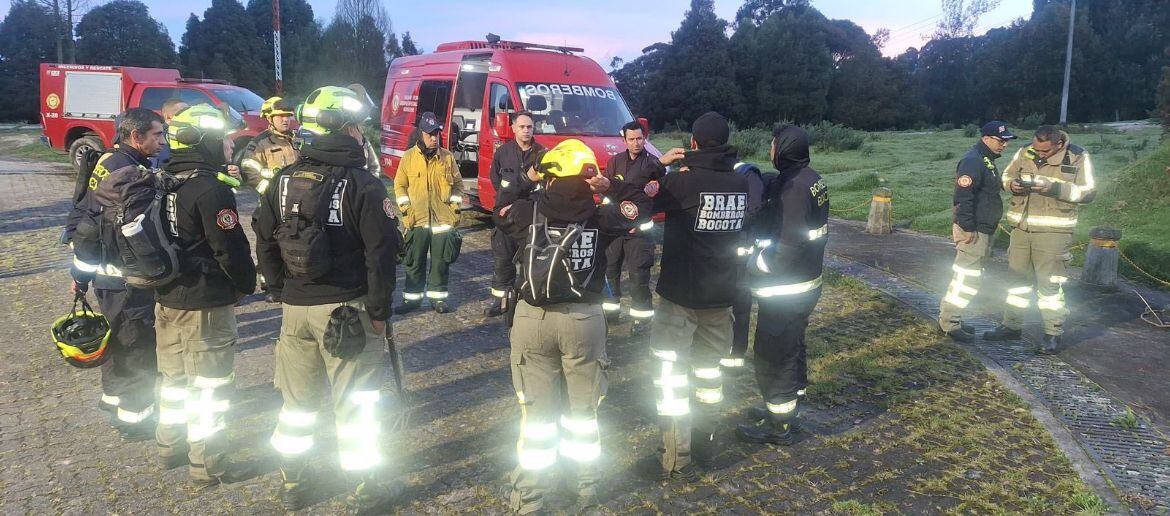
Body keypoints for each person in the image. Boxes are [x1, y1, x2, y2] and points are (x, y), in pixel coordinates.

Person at [254, 86, 401, 511]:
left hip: (295, 311)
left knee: (297, 405)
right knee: (356, 404)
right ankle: (367, 489)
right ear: (348, 128)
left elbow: (264, 239)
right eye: (358, 126)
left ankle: (294, 482)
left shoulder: (282, 180)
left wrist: (282, 290)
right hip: (348, 311)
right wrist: (379, 311)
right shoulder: (362, 185)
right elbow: (382, 254)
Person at [498, 139, 652, 514]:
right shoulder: (602, 216)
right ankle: (584, 490)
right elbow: (639, 211)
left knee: (536, 416)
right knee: (583, 412)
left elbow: (496, 207)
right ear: (588, 175)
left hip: (533, 320)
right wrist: (610, 187)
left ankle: (529, 497)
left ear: (549, 176)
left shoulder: (524, 212)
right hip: (585, 320)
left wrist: (528, 176)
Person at [640, 111, 748, 481]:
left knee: (671, 379)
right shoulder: (741, 184)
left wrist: (659, 167)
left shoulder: (683, 184)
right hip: (722, 299)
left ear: (695, 144)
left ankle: (676, 459)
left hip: (680, 299)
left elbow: (643, 201)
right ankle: (707, 445)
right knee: (709, 377)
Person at [154, 104, 257, 487]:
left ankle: (169, 445)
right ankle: (209, 464)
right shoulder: (210, 189)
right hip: (205, 303)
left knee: (173, 379)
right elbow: (229, 248)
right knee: (211, 386)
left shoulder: (163, 178)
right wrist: (246, 284)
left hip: (166, 296)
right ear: (208, 142)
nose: (230, 148)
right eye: (225, 141)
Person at [65, 107, 164, 440]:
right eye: (157, 135)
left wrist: (80, 278)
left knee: (117, 338)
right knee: (135, 346)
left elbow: (85, 220)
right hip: (125, 278)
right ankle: (135, 420)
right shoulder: (127, 175)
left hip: (106, 275)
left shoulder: (108, 161)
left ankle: (113, 398)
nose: (162, 142)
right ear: (136, 136)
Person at [735, 124, 829, 446]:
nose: (770, 149)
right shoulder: (809, 179)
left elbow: (789, 246)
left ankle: (781, 425)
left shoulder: (795, 190)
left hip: (786, 289)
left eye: (773, 143)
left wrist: (755, 266)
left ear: (784, 147)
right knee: (792, 347)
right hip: (805, 285)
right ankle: (789, 403)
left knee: (773, 355)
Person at [984, 126, 1096, 354]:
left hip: (1053, 232)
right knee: (1016, 281)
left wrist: (1054, 187)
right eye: (1036, 148)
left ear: (1057, 144)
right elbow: (1006, 175)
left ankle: (1053, 333)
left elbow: (1089, 192)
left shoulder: (1077, 156)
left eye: (1044, 151)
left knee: (1050, 285)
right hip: (1021, 229)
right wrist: (1011, 185)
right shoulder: (1026, 151)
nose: (1039, 154)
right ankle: (1011, 326)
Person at [937, 121, 1016, 342]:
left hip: (982, 228)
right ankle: (949, 323)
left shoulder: (986, 160)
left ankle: (953, 318)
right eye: (1001, 141)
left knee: (969, 278)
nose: (1004, 145)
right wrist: (968, 227)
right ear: (987, 138)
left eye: (1006, 142)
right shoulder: (973, 161)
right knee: (965, 279)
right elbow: (963, 197)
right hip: (973, 229)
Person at [394, 111, 463, 314]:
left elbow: (458, 185)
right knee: (414, 262)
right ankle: (411, 300)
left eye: (437, 134)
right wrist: (406, 210)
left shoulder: (448, 158)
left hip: (443, 220)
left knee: (441, 263)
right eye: (430, 134)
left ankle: (438, 299)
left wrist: (455, 207)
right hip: (417, 220)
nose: (434, 138)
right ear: (421, 134)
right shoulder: (408, 157)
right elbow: (399, 186)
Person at [602, 120, 666, 333]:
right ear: (624, 140)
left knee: (639, 276)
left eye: (640, 138)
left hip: (639, 232)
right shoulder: (614, 162)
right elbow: (609, 194)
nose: (636, 143)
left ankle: (642, 319)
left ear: (644, 138)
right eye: (632, 139)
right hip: (616, 229)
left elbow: (656, 197)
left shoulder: (654, 164)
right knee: (610, 271)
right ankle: (610, 312)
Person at [484, 111, 545, 317]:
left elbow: (545, 189)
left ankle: (524, 300)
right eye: (522, 127)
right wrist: (506, 199)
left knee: (529, 261)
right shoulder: (503, 152)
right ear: (513, 128)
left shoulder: (542, 154)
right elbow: (495, 180)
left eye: (529, 127)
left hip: (529, 218)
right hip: (504, 218)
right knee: (502, 260)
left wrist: (520, 203)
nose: (526, 130)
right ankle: (499, 302)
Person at [727, 162, 769, 368]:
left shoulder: (747, 174)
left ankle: (736, 353)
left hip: (742, 254)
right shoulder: (721, 175)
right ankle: (725, 349)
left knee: (741, 306)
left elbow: (754, 207)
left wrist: (729, 221)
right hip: (723, 255)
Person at [240, 96, 299, 195]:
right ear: (269, 119)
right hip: (273, 198)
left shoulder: (296, 139)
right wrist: (270, 192)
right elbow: (249, 170)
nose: (285, 120)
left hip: (296, 194)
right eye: (281, 116)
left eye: (288, 116)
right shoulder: (259, 143)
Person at [152, 98, 189, 168]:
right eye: (182, 113)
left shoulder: (193, 133)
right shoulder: (160, 134)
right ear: (167, 116)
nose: (187, 116)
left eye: (188, 113)